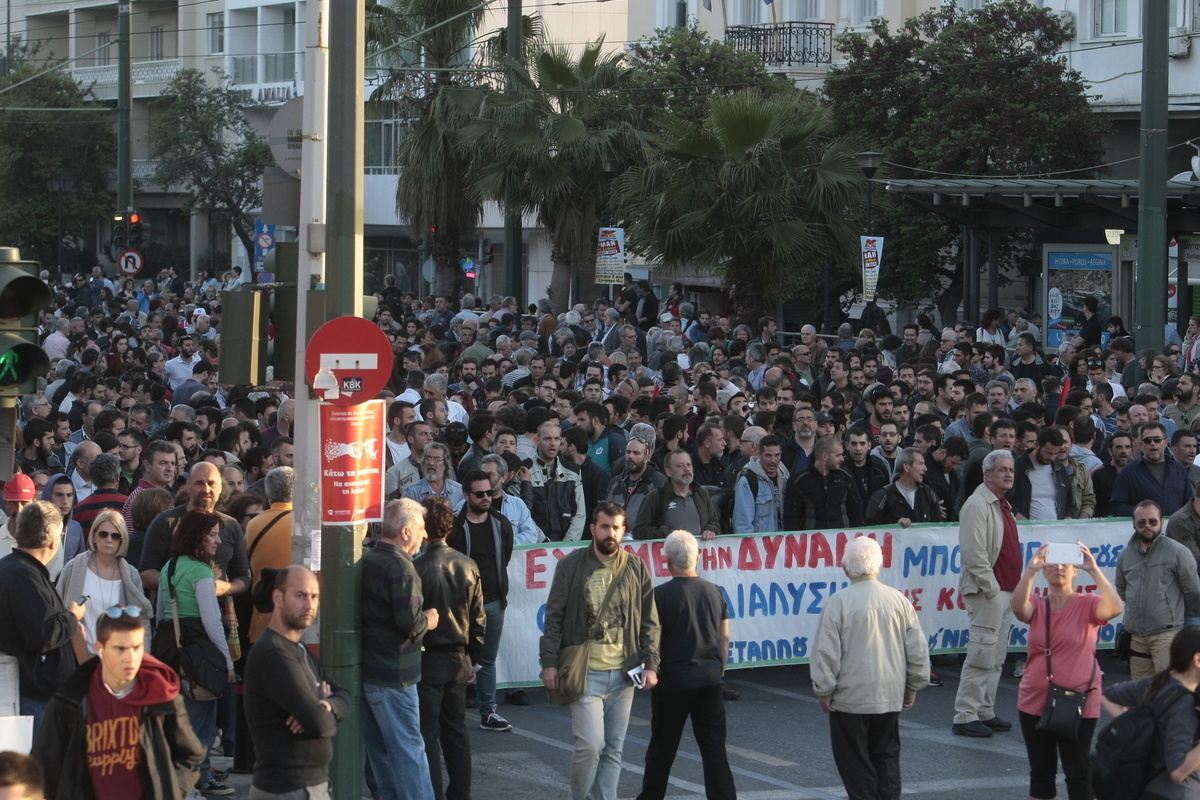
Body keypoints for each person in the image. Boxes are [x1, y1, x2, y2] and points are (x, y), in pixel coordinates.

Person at [539, 503, 661, 800]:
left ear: (624, 530)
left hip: (624, 673)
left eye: (617, 527)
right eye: (605, 526)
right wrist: (549, 663)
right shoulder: (570, 565)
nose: (611, 533)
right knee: (590, 746)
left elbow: (649, 619)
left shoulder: (635, 567)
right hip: (584, 672)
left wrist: (651, 663)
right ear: (593, 528)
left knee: (613, 749)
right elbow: (554, 616)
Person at [32, 606, 205, 800]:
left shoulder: (161, 694)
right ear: (100, 649)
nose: (130, 658)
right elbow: (43, 764)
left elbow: (191, 755)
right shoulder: (71, 698)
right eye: (120, 649)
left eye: (136, 648)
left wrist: (170, 792)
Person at [810, 536, 930, 800]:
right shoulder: (899, 601)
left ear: (845, 568)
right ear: (879, 566)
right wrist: (913, 686)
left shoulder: (838, 603)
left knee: (855, 764)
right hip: (889, 694)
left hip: (849, 699)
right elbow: (917, 651)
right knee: (886, 757)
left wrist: (825, 691)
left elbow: (825, 653)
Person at [1011, 542, 1124, 800]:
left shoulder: (1088, 604)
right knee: (1041, 773)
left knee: (1078, 774)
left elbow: (1115, 608)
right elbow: (1018, 609)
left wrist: (1094, 569)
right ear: (1045, 570)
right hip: (1034, 701)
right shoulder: (1037, 605)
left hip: (1079, 701)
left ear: (1075, 571)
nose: (1059, 568)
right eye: (1052, 564)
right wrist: (1029, 571)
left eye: (1066, 564)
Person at [635, 530, 734, 800]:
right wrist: (720, 667)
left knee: (662, 751)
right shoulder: (715, 592)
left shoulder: (659, 595)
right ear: (697, 556)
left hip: (673, 684)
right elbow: (724, 637)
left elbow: (650, 639)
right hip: (710, 680)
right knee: (714, 751)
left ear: (666, 560)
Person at [244, 566, 350, 800]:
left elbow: (345, 695)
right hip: (287, 789)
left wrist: (326, 705)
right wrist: (319, 710)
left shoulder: (299, 648)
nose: (309, 605)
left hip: (309, 787)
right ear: (278, 597)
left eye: (314, 596)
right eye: (300, 595)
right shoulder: (274, 653)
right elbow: (320, 725)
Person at [361, 498, 440, 800]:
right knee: (410, 751)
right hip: (396, 676)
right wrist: (430, 620)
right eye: (421, 529)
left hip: (371, 673)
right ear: (406, 531)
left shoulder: (368, 559)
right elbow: (411, 624)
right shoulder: (401, 568)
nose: (424, 536)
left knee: (381, 752)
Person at [154, 510, 235, 797]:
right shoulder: (202, 572)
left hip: (172, 652)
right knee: (202, 719)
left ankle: (190, 774)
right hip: (200, 654)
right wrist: (226, 662)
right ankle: (199, 778)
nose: (218, 540)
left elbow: (161, 612)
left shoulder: (169, 567)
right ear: (197, 537)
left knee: (182, 717)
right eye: (212, 534)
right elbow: (212, 621)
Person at [416, 498, 486, 800]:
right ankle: (461, 792)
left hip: (428, 657)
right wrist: (473, 657)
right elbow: (479, 619)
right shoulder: (468, 565)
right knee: (456, 732)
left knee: (428, 734)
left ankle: (433, 793)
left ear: (423, 530)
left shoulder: (417, 567)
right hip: (459, 657)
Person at [952, 450, 1020, 738]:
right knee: (981, 654)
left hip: (1005, 592)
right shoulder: (977, 505)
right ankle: (965, 715)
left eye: (1011, 469)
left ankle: (984, 711)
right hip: (989, 593)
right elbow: (974, 554)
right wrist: (992, 590)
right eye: (1002, 469)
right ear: (987, 474)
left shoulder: (1000, 503)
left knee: (996, 657)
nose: (1008, 474)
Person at [0, 501, 83, 732]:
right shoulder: (24, 575)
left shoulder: (16, 569)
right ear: (54, 541)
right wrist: (72, 616)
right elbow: (44, 634)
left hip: (34, 693)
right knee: (40, 766)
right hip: (36, 697)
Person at [448, 471, 514, 733]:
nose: (486, 498)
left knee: (487, 659)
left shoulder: (501, 524)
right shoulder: (455, 528)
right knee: (457, 657)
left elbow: (505, 557)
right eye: (479, 494)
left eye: (489, 492)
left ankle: (489, 712)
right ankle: (451, 713)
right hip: (462, 605)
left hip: (494, 601)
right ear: (466, 495)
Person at [1101, 627, 1200, 799]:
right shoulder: (1184, 704)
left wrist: (1133, 729)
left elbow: (1107, 696)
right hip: (1176, 794)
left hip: (1147, 787)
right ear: (1197, 659)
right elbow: (1177, 772)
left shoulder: (1155, 683)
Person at [1116, 501, 1200, 680]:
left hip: (1166, 635)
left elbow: (1193, 591)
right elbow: (1122, 590)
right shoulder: (1125, 556)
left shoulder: (1178, 553)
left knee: (1169, 691)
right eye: (1141, 522)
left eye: (1152, 521)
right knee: (1140, 692)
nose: (1147, 526)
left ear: (1162, 522)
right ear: (1134, 524)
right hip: (1136, 636)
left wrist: (1170, 614)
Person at [55, 509, 152, 646]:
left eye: (115, 536)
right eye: (103, 534)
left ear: (121, 540)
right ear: (94, 536)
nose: (108, 540)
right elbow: (57, 610)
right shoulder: (73, 568)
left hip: (117, 657)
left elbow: (141, 620)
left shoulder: (131, 574)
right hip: (78, 655)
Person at [632, 449, 720, 541]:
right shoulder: (655, 497)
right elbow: (640, 531)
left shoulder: (701, 493)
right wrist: (668, 534)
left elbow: (714, 522)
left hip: (699, 553)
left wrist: (710, 529)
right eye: (680, 466)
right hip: (668, 553)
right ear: (668, 471)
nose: (686, 469)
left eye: (689, 465)